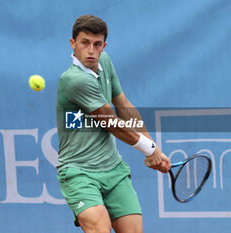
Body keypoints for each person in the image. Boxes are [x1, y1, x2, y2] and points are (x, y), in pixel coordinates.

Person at [56, 15, 171, 233]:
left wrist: (153, 146)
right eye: (85, 43)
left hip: (113, 170)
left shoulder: (105, 62)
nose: (91, 50)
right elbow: (111, 121)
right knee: (100, 228)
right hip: (79, 172)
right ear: (73, 44)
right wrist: (150, 150)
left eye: (97, 44)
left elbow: (124, 106)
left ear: (103, 46)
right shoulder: (74, 79)